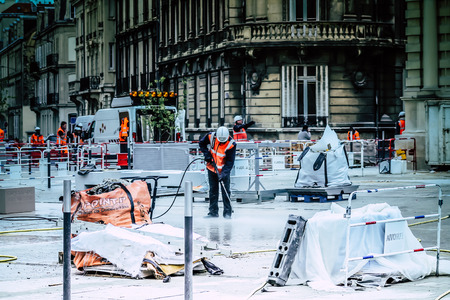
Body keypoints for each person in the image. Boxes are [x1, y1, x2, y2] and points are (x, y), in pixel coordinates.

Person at [199, 126, 236, 219]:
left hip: (224, 170)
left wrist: (223, 174)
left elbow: (230, 162)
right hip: (212, 168)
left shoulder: (231, 144)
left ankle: (227, 213)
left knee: (226, 191)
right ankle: (213, 212)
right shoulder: (210, 137)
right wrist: (207, 155)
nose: (222, 142)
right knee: (213, 191)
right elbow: (202, 144)